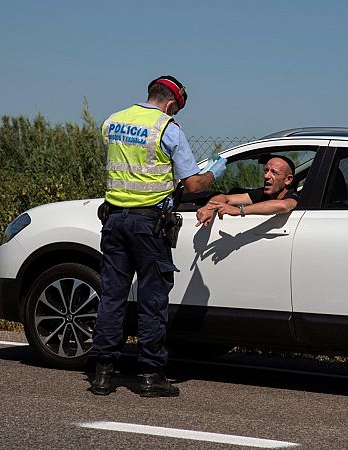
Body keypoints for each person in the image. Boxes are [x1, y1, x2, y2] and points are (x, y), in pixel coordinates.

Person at [90, 75, 226, 397]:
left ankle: (102, 374)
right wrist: (213, 173)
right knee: (152, 300)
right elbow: (192, 185)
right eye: (175, 109)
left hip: (113, 221)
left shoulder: (113, 122)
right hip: (148, 226)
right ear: (170, 104)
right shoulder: (167, 129)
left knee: (112, 297)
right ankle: (150, 375)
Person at [195, 155, 298, 227]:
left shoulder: (292, 196)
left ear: (288, 180)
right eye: (266, 171)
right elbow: (225, 198)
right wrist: (209, 208)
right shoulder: (261, 194)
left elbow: (284, 206)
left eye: (274, 173)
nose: (266, 176)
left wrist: (239, 210)